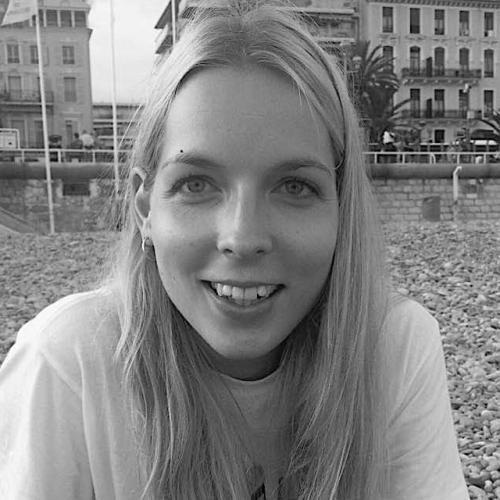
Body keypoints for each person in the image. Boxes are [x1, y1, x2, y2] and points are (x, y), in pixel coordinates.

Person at [0, 2, 468, 499]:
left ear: (341, 208)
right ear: (144, 207)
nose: (242, 238)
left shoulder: (393, 348)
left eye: (294, 186)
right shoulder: (69, 362)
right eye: (196, 184)